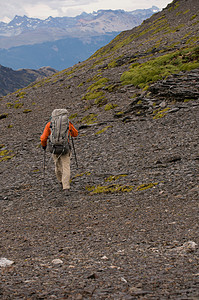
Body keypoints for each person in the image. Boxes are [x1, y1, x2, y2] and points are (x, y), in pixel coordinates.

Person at [40, 109, 78, 191]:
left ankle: (60, 181)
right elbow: (75, 134)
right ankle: (66, 187)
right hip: (65, 148)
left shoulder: (50, 124)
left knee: (57, 165)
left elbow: (43, 138)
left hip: (54, 148)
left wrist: (44, 146)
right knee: (66, 167)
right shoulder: (67, 123)